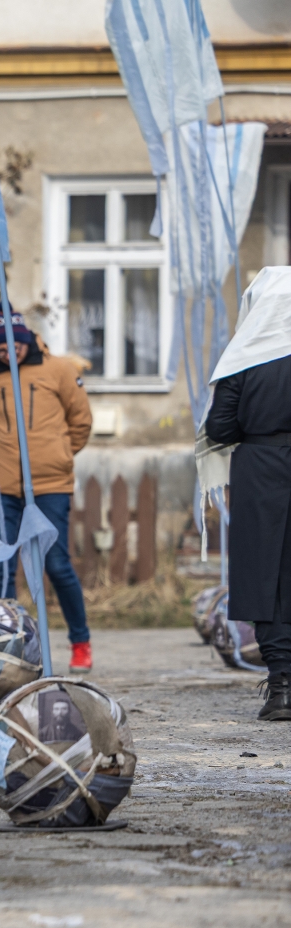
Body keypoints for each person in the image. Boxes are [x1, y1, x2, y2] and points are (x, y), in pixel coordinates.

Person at [0, 305, 93, 671]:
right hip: (2, 485)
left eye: (14, 346)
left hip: (50, 484)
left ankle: (80, 642)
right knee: (1, 566)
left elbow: (81, 421)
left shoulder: (60, 370)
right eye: (1, 349)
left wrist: (59, 455)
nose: (8, 354)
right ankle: (5, 645)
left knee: (56, 564)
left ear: (27, 339)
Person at [202, 270, 291, 720]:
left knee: (266, 577)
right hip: (264, 465)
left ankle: (283, 687)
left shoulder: (246, 358)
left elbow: (219, 427)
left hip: (260, 470)